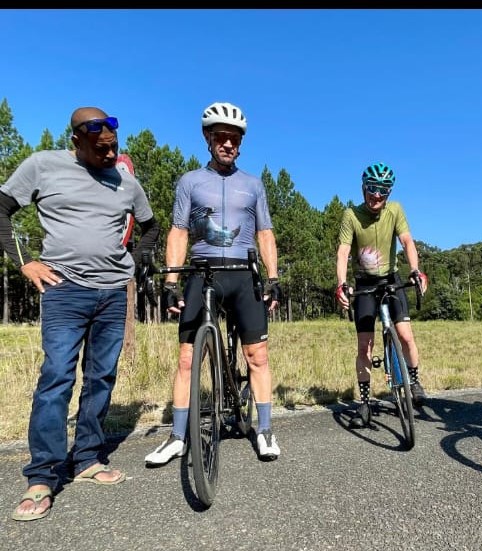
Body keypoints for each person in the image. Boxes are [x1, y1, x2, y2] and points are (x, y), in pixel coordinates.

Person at [0, 107, 160, 521]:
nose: (109, 155)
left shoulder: (126, 180)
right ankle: (43, 476)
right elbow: (1, 208)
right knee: (57, 377)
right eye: (100, 149)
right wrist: (25, 261)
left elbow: (151, 227)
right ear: (76, 141)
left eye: (114, 147)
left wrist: (135, 260)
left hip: (113, 294)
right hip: (64, 290)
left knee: (101, 377)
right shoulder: (43, 166)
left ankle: (88, 457)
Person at [145, 101, 283, 465]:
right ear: (208, 138)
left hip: (243, 273)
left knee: (257, 356)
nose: (228, 144)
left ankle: (265, 429)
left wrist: (273, 278)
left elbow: (265, 233)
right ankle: (177, 436)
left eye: (235, 138)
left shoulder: (253, 184)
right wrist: (171, 282)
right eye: (221, 136)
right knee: (187, 358)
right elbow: (179, 231)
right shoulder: (190, 181)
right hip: (202, 272)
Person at [335, 162, 429, 428]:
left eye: (384, 190)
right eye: (372, 189)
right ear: (363, 188)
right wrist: (341, 283)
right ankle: (364, 403)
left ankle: (413, 381)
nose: (377, 195)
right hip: (364, 283)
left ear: (390, 193)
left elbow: (407, 241)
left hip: (390, 279)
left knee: (406, 336)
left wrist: (415, 270)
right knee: (364, 345)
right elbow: (343, 251)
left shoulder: (395, 210)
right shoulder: (351, 215)